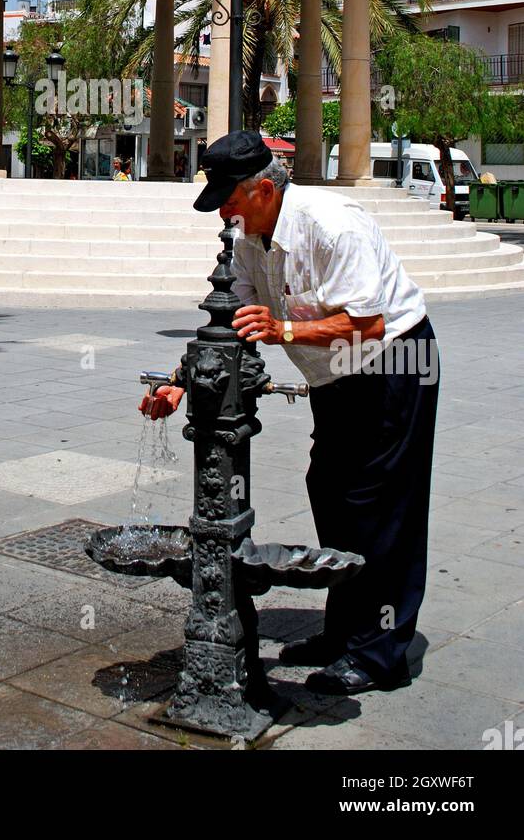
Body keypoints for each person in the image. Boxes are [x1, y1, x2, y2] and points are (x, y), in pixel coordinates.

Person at [143, 128, 440, 697]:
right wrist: (181, 383)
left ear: (262, 189)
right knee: (331, 489)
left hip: (393, 362)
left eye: (229, 199)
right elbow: (238, 323)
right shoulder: (250, 235)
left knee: (382, 506)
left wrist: (286, 329)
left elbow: (367, 323)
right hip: (336, 374)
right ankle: (345, 632)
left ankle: (380, 655)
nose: (223, 212)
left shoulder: (332, 224)